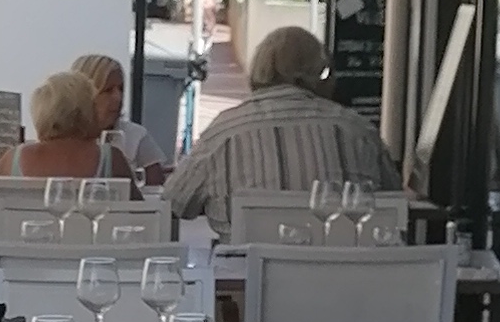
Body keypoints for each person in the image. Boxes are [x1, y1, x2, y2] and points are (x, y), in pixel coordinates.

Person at [162, 22, 399, 235]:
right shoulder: (358, 130)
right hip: (349, 269)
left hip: (249, 270)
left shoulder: (224, 133)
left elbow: (174, 202)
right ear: (322, 73)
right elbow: (395, 203)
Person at [0, 67, 105, 234]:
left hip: (25, 251)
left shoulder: (14, 159)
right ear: (85, 112)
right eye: (94, 105)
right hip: (92, 252)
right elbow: (131, 225)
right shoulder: (110, 158)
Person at [75, 52, 168, 188]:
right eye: (108, 90)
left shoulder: (136, 136)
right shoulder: (63, 139)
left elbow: (156, 191)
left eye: (121, 89)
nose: (118, 97)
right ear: (84, 93)